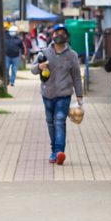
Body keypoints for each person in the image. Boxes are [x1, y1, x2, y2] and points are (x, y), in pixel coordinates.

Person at [31, 23, 83, 165]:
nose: (59, 35)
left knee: (59, 120)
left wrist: (79, 95)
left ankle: (59, 152)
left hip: (64, 94)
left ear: (67, 36)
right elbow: (33, 70)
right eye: (56, 32)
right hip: (47, 93)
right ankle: (54, 150)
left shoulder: (72, 55)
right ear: (52, 35)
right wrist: (40, 66)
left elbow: (77, 76)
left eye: (62, 33)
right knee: (50, 122)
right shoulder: (44, 53)